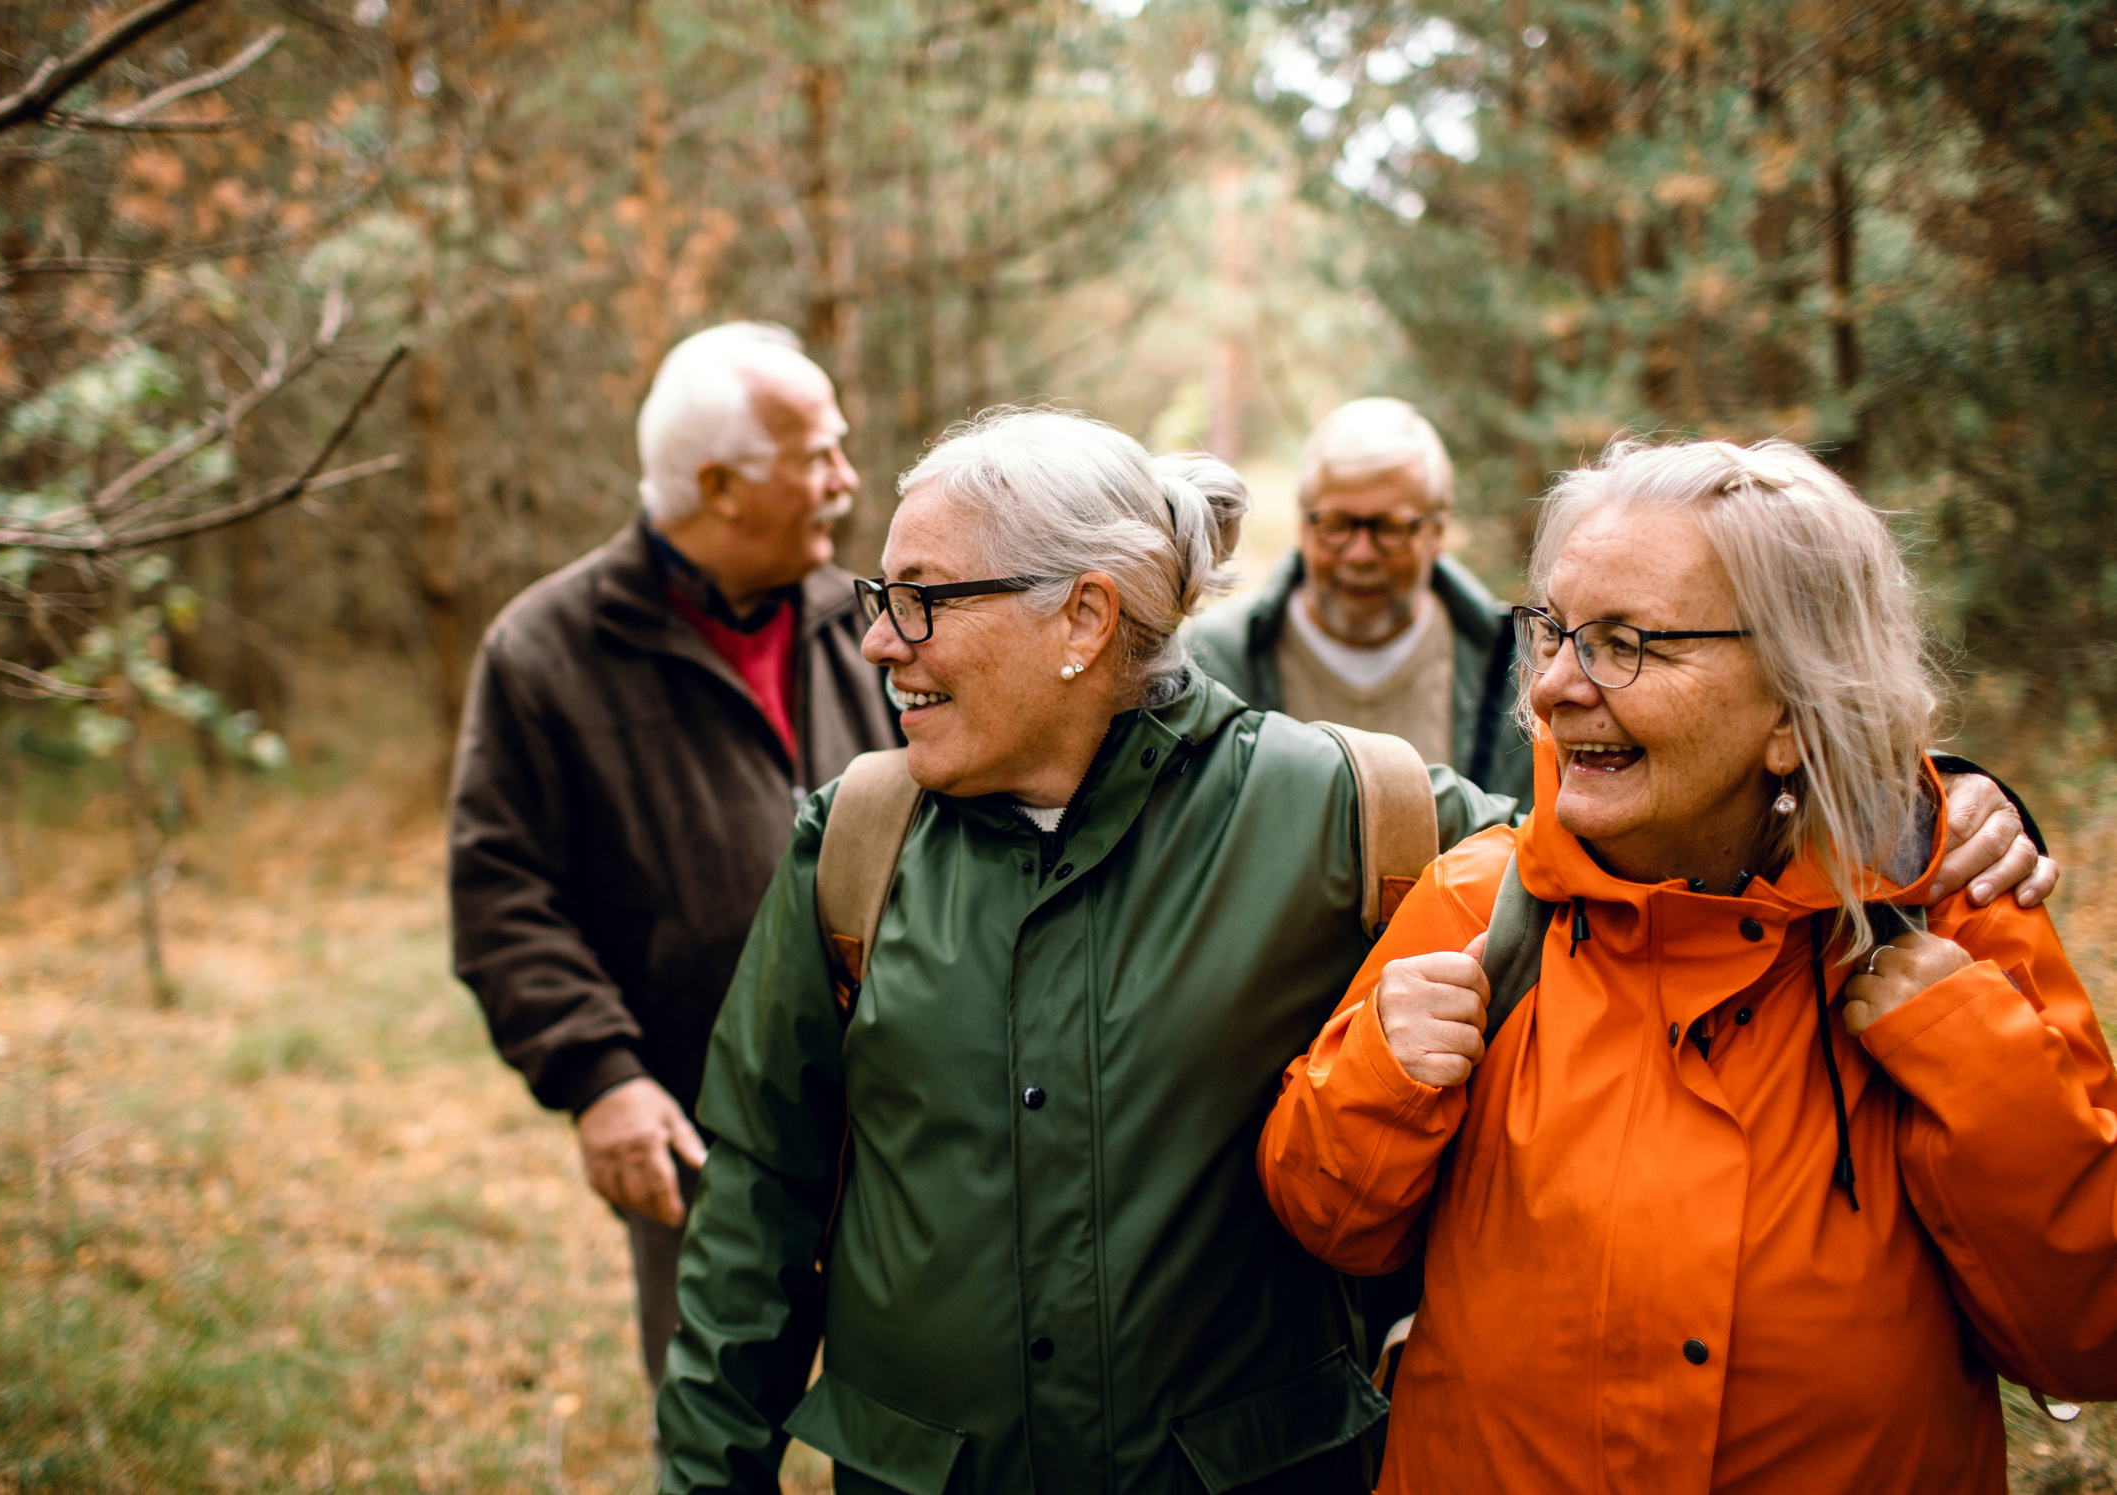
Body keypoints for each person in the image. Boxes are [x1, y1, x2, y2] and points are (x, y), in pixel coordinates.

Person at [654, 413, 2052, 1494]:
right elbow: (757, 1199)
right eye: (880, 599)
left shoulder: (1343, 809)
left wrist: (1926, 796)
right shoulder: (854, 842)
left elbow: (1644, 839)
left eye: (923, 599)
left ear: (1081, 618)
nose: (883, 642)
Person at [1258, 438, 2113, 1493]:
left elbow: (2087, 1336)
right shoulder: (1479, 907)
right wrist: (1379, 1075)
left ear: (1794, 713)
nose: (1555, 689)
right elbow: (1330, 1226)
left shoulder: (1950, 922)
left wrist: (1974, 1062)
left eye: (1625, 645)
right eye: (1554, 633)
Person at [448, 323, 900, 1404]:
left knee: (917, 1424)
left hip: (906, 1110)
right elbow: (501, 894)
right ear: (719, 485)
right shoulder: (545, 650)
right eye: (818, 456)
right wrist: (597, 1075)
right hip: (703, 1134)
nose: (846, 480)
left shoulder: (868, 625)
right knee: (713, 1423)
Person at [1187, 398, 1534, 803]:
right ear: (1302, 525)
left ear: (1438, 532)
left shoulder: (1513, 668)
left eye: (1390, 528)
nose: (1360, 555)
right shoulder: (1215, 658)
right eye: (1337, 525)